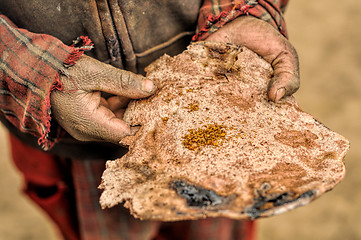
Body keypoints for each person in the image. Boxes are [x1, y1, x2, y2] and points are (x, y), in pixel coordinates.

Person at [0, 0, 299, 239]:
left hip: (221, 129)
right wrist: (37, 74)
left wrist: (243, 10)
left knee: (215, 223)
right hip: (76, 145)